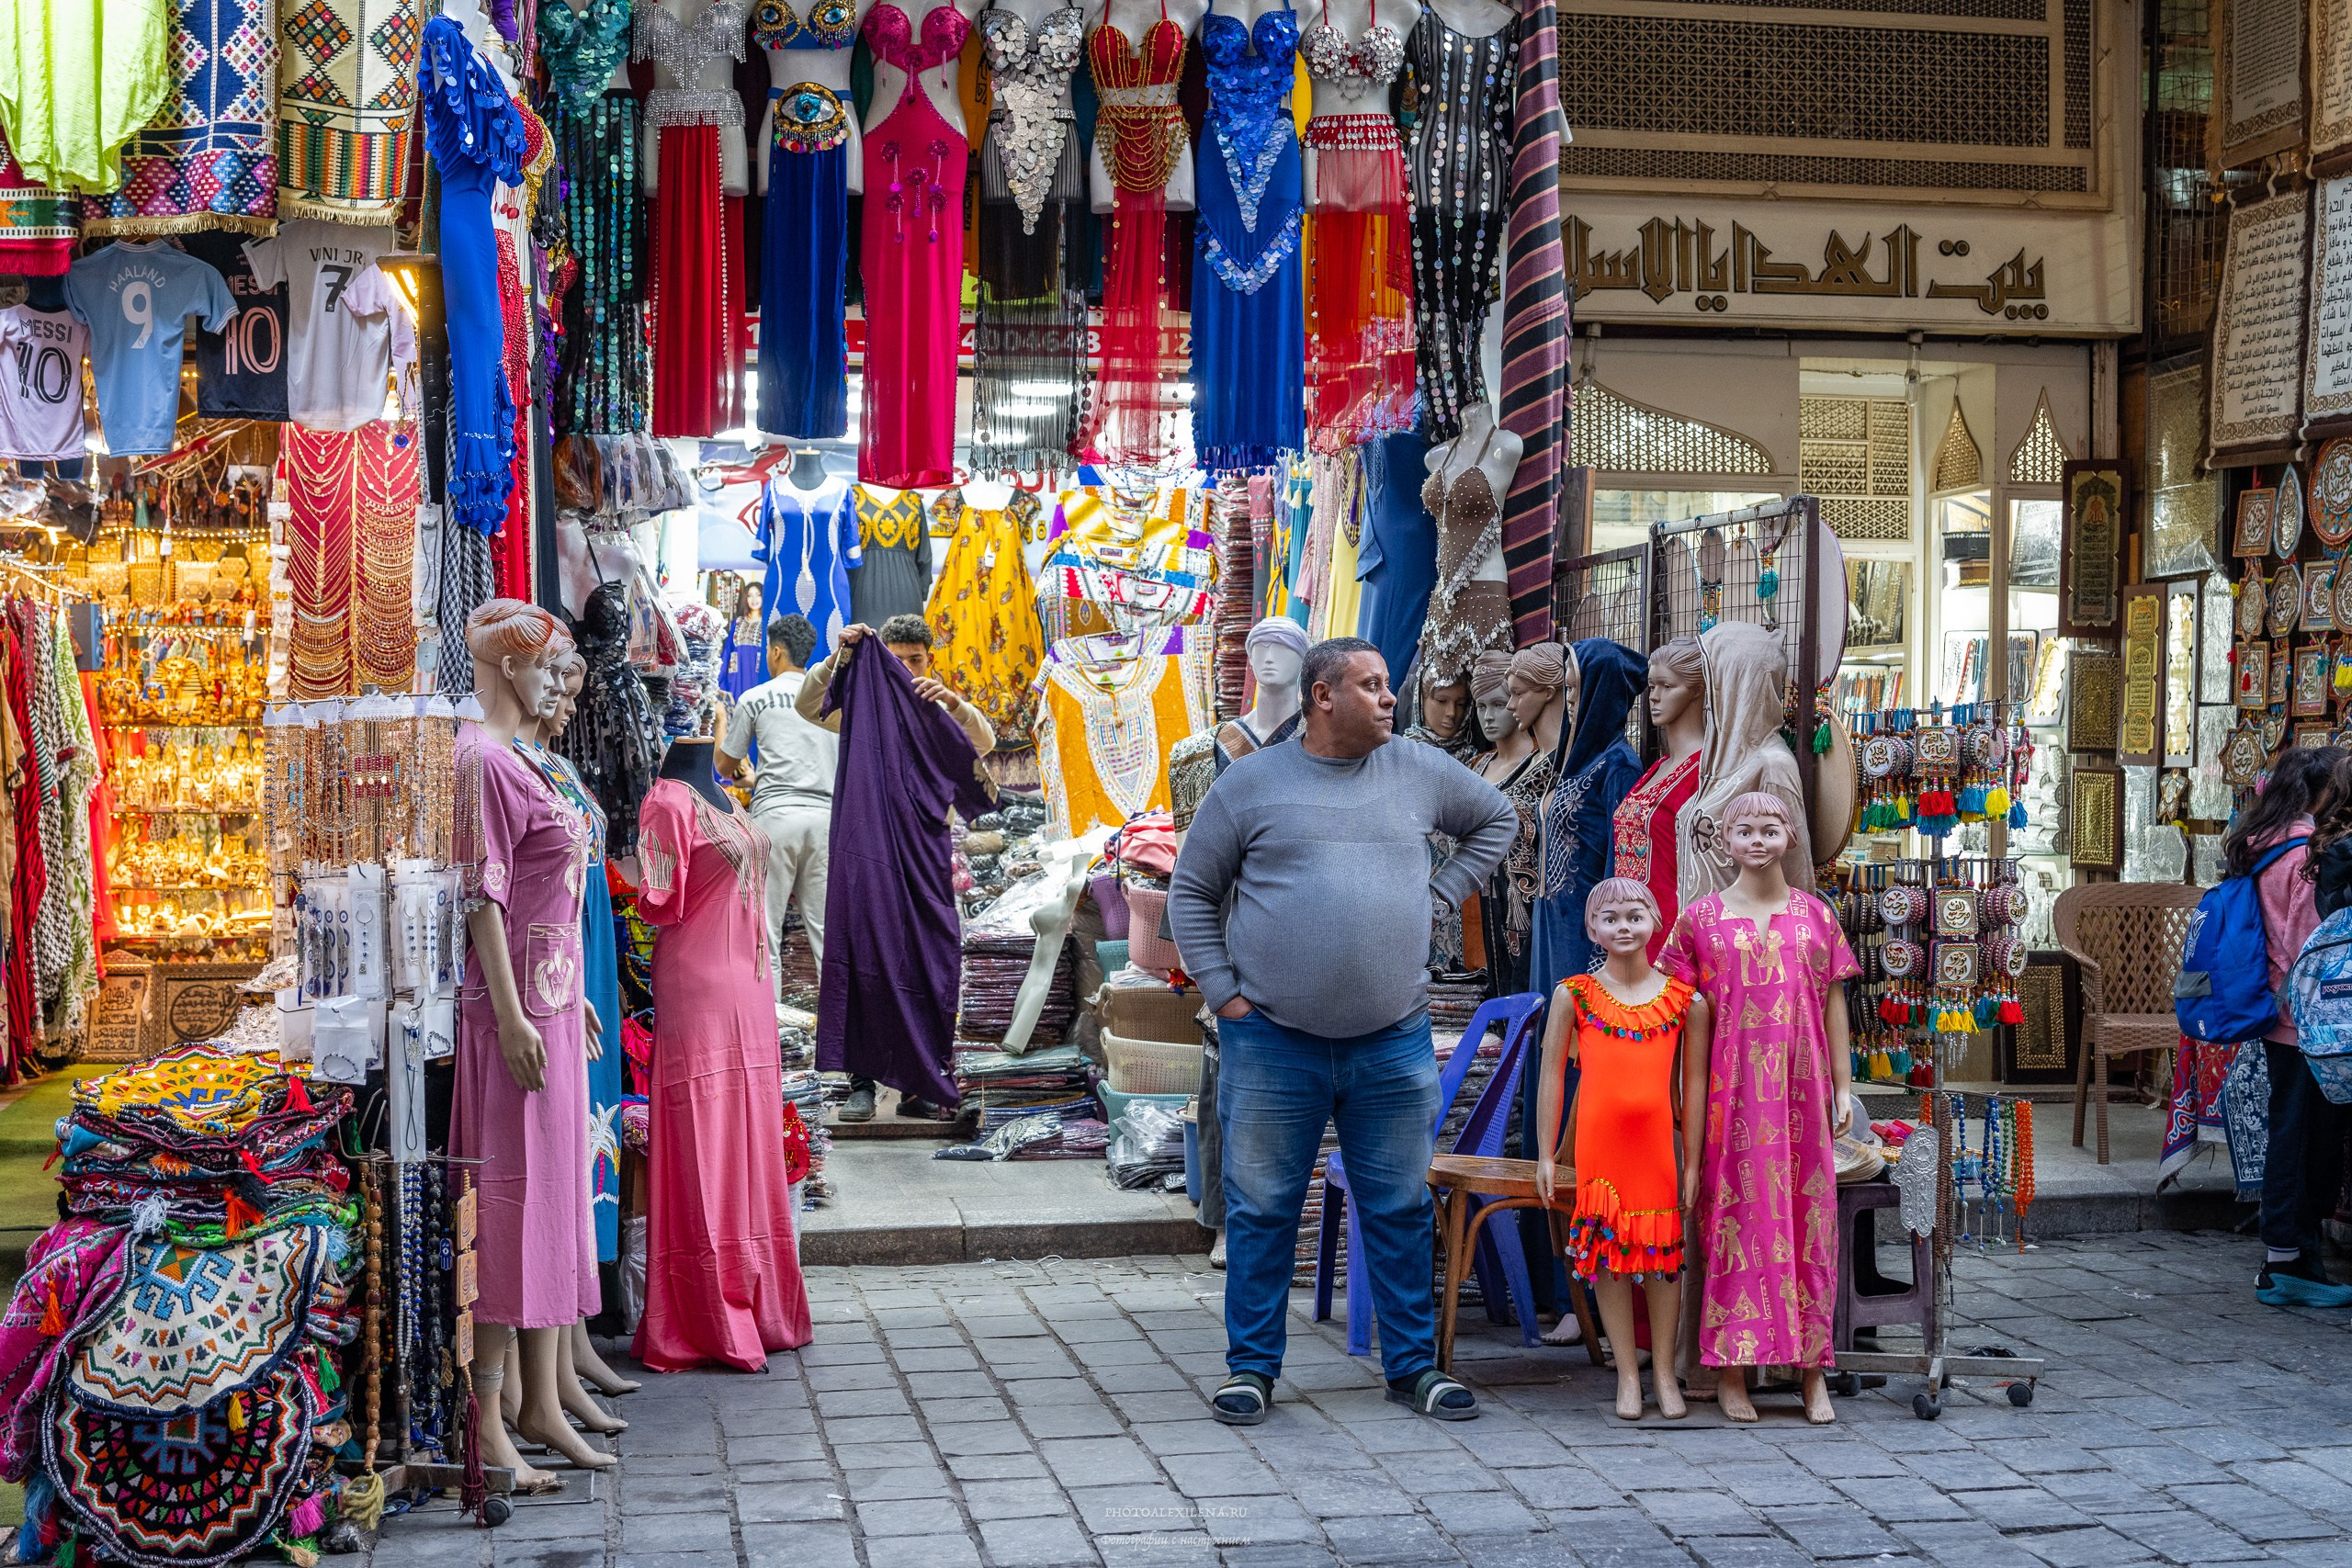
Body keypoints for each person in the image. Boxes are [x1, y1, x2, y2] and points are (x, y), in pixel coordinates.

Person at [1169, 636, 1517, 1426]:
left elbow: (1495, 817)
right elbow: (1191, 892)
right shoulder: (1252, 783)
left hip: (1391, 1036)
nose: (1391, 696)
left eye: (1389, 683)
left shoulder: (1418, 770)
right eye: (1372, 684)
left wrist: (1442, 888)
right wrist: (1223, 994)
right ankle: (1251, 1369)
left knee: (1396, 1207)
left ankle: (1413, 1368)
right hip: (1271, 1040)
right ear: (1322, 696)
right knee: (1262, 1208)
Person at [1659, 790, 1857, 1425]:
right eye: (1745, 829)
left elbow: (1832, 1004)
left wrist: (1844, 1084)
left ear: (1791, 835)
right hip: (1731, 1099)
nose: (1758, 839)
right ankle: (1732, 1373)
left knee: (1810, 1227)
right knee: (1734, 1225)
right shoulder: (1700, 920)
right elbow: (1679, 1016)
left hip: (1804, 1097)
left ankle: (1812, 1374)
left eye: (1771, 828)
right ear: (1726, 839)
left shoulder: (1817, 918)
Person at [797, 612, 994, 1122]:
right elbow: (809, 706)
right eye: (897, 660)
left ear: (930, 660)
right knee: (860, 947)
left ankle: (921, 1082)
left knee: (929, 956)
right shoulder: (865, 701)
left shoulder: (939, 705)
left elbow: (985, 743)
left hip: (925, 850)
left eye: (915, 660)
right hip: (864, 846)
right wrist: (839, 659)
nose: (906, 669)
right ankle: (862, 1081)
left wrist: (952, 703)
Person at [1534, 878, 1704, 1421]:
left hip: (1657, 1149)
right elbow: (1551, 1077)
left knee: (1662, 1259)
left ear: (1656, 923)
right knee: (1609, 1256)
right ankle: (1627, 1374)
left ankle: (1662, 1373)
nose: (1624, 926)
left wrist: (1694, 1160)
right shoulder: (1574, 995)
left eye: (1635, 915)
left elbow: (1694, 1088)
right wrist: (1545, 1152)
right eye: (1610, 917)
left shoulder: (1686, 1001)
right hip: (1600, 1149)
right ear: (1591, 928)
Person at [2235, 746, 2352, 1309]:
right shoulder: (2301, 855)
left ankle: (2286, 1259)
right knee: (2308, 1139)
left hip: (2282, 1018)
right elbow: (2320, 943)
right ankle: (2287, 1261)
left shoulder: (2263, 843)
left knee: (2292, 1132)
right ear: (2323, 793)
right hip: (2309, 1021)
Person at [718, 613, 838, 997]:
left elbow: (724, 764)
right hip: (825, 820)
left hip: (775, 820)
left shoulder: (755, 698)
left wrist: (721, 720)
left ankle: (771, 1039)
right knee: (825, 935)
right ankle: (838, 1043)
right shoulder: (833, 702)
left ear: (775, 652)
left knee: (765, 934)